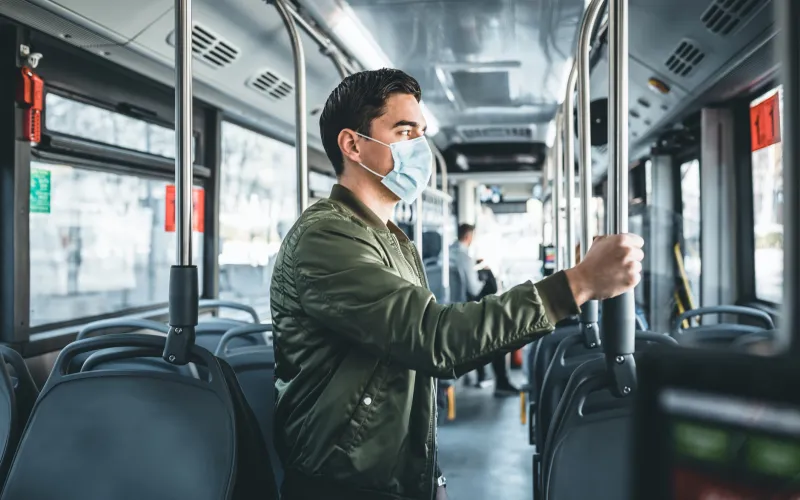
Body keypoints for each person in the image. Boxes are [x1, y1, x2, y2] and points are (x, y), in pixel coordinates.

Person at [270, 68, 644, 500]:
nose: (419, 148)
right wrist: (576, 284)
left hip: (388, 476)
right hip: (341, 483)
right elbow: (433, 338)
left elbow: (402, 375)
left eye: (422, 133)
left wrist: (430, 474)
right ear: (353, 144)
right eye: (404, 131)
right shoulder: (326, 237)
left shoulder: (388, 238)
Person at [450, 224, 518, 396]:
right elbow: (474, 289)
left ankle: (487, 377)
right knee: (499, 334)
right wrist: (485, 276)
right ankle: (501, 382)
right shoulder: (463, 257)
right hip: (462, 312)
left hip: (451, 308)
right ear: (468, 236)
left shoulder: (448, 254)